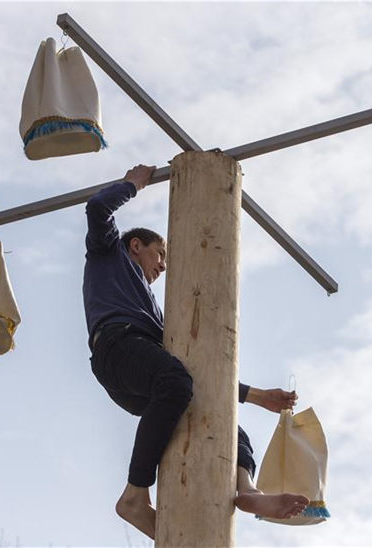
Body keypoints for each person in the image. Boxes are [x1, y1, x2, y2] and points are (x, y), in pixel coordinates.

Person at [83, 164, 310, 539]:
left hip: (139, 367)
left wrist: (256, 397)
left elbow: (198, 370)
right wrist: (133, 184)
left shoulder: (153, 312)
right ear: (136, 246)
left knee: (222, 420)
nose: (164, 265)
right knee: (175, 381)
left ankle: (247, 490)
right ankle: (135, 494)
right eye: (160, 253)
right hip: (117, 347)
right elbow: (96, 209)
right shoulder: (110, 254)